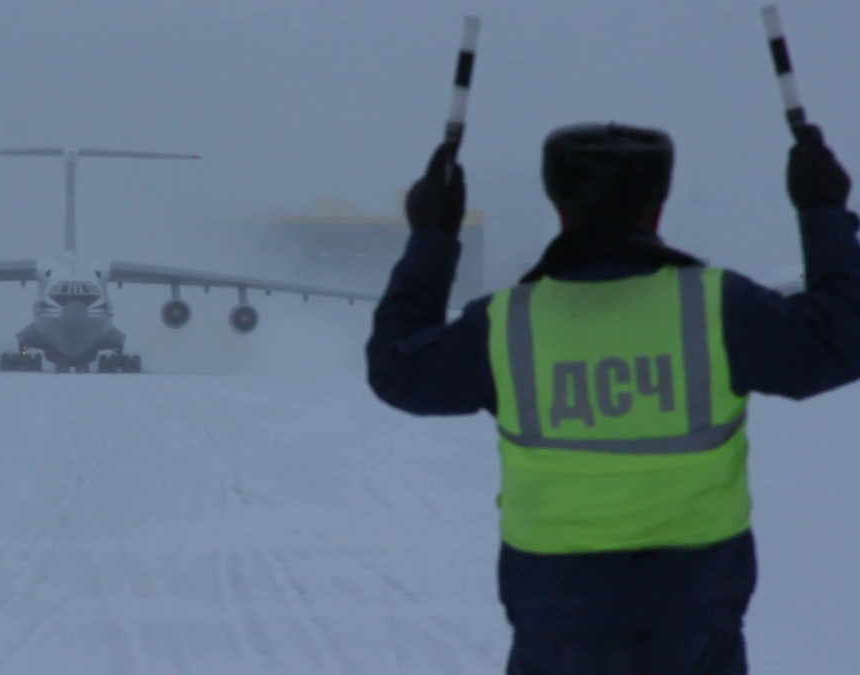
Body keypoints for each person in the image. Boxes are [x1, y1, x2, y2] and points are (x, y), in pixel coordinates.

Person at [365, 121, 860, 674]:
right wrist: (823, 213)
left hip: (555, 607)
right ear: (659, 203)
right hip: (697, 603)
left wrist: (432, 238)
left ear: (558, 202)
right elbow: (840, 340)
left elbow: (398, 369)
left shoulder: (506, 324)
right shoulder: (719, 308)